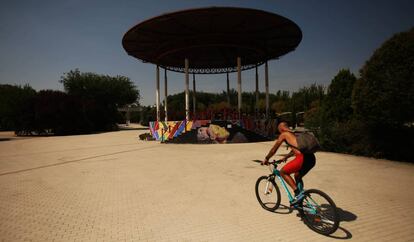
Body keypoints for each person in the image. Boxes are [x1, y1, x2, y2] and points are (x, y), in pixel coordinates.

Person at [262, 121, 316, 205]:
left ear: (281, 128)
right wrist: (286, 157)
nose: (279, 131)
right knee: (297, 176)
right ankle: (300, 196)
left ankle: (298, 194)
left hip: (302, 158)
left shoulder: (285, 134)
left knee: (283, 172)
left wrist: (266, 158)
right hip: (311, 158)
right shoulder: (296, 133)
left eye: (279, 129)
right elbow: (297, 148)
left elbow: (273, 150)